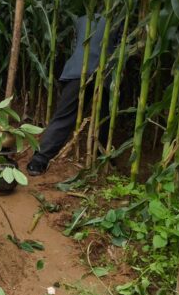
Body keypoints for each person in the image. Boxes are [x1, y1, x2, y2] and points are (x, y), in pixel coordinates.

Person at [27, 14, 114, 176]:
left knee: (64, 116)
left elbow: (75, 45)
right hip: (105, 73)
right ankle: (103, 156)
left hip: (77, 70)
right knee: (105, 117)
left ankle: (39, 161)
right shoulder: (118, 21)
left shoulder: (82, 19)